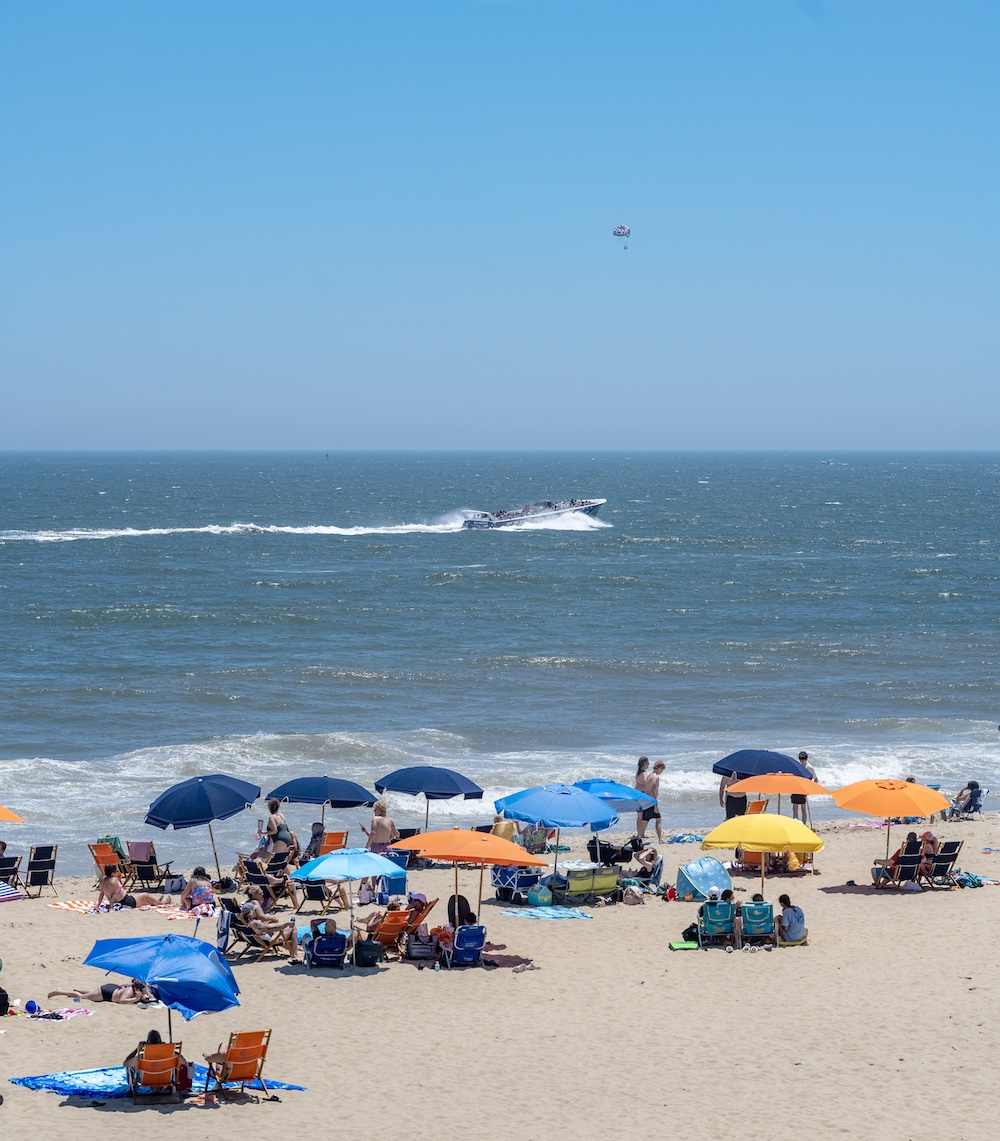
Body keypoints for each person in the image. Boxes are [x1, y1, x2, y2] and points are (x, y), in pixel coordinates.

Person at [241, 885, 300, 960]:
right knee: (292, 927)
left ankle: (294, 949)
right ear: (254, 895)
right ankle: (295, 953)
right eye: (260, 893)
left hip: (259, 937)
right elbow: (262, 917)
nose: (262, 894)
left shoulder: (247, 908)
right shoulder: (255, 905)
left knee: (280, 928)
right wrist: (282, 924)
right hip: (270, 939)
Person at [96, 865, 160, 910]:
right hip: (126, 901)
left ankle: (157, 901)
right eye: (116, 871)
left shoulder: (102, 880)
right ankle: (161, 903)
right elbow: (114, 895)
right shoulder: (113, 880)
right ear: (113, 873)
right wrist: (111, 907)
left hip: (121, 901)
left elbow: (101, 894)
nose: (117, 873)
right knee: (146, 896)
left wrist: (98, 905)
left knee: (145, 902)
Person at [48, 979, 151, 1004]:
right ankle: (59, 992)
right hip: (106, 993)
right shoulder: (129, 991)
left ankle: (80, 990)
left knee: (93, 992)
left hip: (112, 989)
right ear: (136, 989)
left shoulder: (134, 990)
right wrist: (135, 999)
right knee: (81, 997)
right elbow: (121, 1001)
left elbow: (148, 994)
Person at [639, 760, 665, 843]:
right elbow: (652, 789)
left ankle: (639, 837)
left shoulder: (649, 775)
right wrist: (655, 803)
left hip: (646, 800)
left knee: (647, 820)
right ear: (658, 768)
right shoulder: (655, 777)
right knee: (656, 820)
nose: (662, 771)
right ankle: (659, 840)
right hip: (651, 801)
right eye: (662, 769)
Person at [791, 751, 817, 823]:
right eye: (800, 760)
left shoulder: (810, 768)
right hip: (796, 787)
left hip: (803, 788)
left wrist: (810, 789)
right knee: (794, 808)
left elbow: (815, 779)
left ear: (806, 759)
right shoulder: (798, 766)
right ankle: (795, 823)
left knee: (803, 808)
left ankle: (804, 824)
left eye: (803, 760)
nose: (802, 761)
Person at [634, 757, 650, 835]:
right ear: (644, 764)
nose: (649, 764)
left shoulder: (638, 773)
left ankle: (639, 833)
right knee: (644, 816)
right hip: (642, 794)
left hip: (637, 794)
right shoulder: (643, 773)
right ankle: (641, 833)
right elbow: (646, 783)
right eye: (647, 763)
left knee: (639, 816)